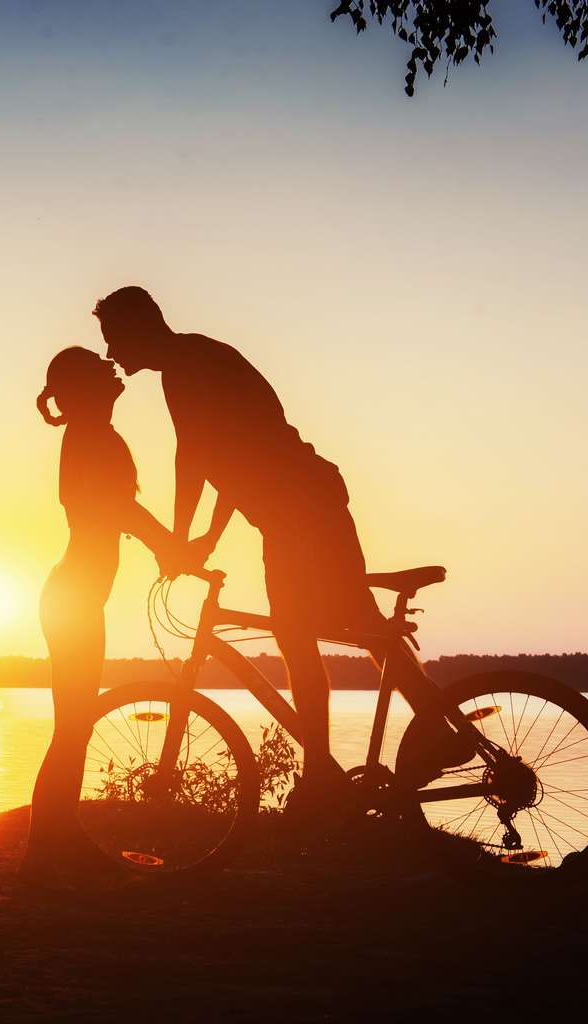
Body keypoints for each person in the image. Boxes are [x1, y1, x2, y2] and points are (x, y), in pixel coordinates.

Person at [90, 286, 469, 818]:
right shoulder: (198, 359)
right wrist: (205, 539)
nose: (110, 354)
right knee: (351, 627)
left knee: (303, 635)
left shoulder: (185, 371)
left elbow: (195, 457)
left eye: (112, 339)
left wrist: (179, 539)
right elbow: (235, 458)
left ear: (139, 327)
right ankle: (419, 736)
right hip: (300, 508)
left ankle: (326, 777)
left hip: (300, 513)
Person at [21, 346, 178, 884]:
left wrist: (168, 545)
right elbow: (118, 510)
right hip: (73, 598)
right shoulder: (91, 437)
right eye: (102, 370)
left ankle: (55, 846)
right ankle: (46, 853)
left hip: (77, 595)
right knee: (72, 725)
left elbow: (117, 513)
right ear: (87, 389)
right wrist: (169, 545)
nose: (115, 372)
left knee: (75, 724)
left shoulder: (93, 435)